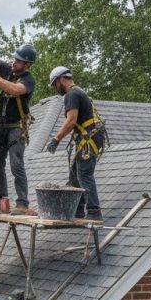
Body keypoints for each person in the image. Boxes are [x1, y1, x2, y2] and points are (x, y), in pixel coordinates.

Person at [0, 44, 37, 215]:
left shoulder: (28, 80)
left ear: (27, 65)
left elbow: (15, 89)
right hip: (1, 128)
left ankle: (22, 203)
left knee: (16, 164)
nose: (14, 62)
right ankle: (0, 200)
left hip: (16, 129)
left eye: (19, 61)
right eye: (15, 59)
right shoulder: (9, 71)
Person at [46, 66, 106, 221]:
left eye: (54, 84)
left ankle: (94, 211)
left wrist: (56, 139)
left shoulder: (71, 94)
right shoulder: (79, 91)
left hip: (88, 138)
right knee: (74, 175)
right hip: (91, 136)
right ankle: (77, 210)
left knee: (84, 174)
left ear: (61, 79)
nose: (55, 88)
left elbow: (71, 120)